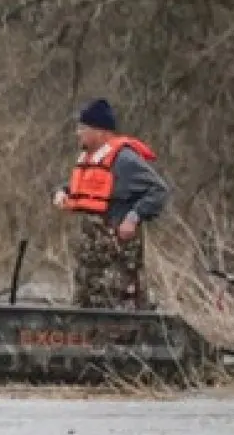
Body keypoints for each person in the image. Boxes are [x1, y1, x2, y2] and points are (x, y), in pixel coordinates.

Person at [53, 98, 171, 310]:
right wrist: (62, 192)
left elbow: (158, 190)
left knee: (119, 308)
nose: (78, 133)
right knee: (84, 307)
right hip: (90, 259)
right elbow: (81, 187)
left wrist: (133, 218)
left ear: (101, 132)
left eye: (83, 128)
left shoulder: (125, 160)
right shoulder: (90, 159)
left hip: (117, 256)